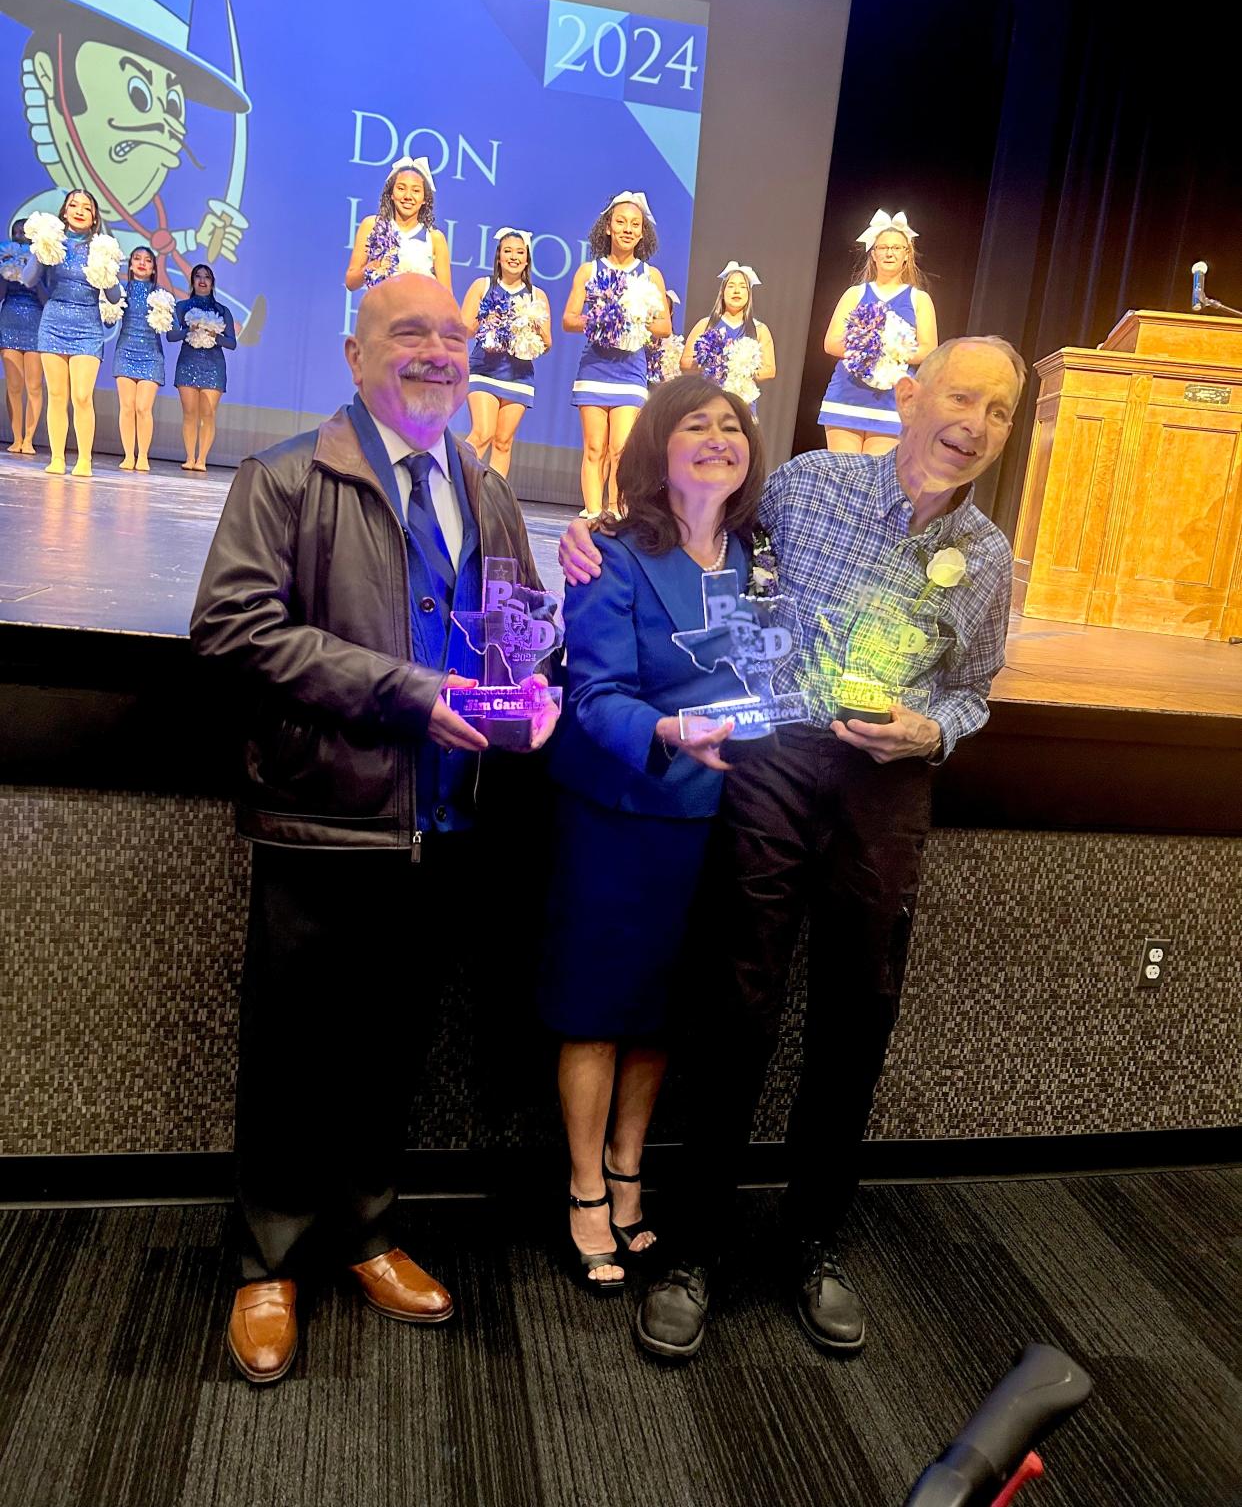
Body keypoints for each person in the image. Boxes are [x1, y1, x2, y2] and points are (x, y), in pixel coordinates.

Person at [560, 336, 1026, 1359]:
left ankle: (814, 1241)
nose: (975, 423)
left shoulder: (991, 557)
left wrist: (932, 731)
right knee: (736, 1004)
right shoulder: (809, 484)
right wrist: (596, 536)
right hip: (776, 761)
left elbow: (974, 687)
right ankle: (695, 1251)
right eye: (960, 397)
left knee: (858, 1014)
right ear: (909, 396)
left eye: (998, 410)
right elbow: (692, 518)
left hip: (887, 785)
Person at [190, 270, 558, 1387]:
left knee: (392, 1049)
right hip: (324, 821)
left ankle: (365, 1231)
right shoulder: (287, 476)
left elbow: (519, 629)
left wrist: (535, 681)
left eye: (454, 334)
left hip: (445, 830)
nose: (440, 350)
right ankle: (267, 1259)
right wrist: (404, 691)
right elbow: (230, 628)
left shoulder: (485, 490)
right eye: (411, 332)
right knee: (295, 1049)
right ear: (355, 355)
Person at [541, 374, 765, 1292]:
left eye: (732, 427)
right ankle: (586, 1186)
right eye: (695, 427)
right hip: (624, 814)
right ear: (656, 450)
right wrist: (670, 733)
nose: (718, 439)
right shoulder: (614, 552)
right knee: (600, 1005)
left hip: (725, 821)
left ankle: (632, 1166)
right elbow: (592, 697)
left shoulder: (763, 556)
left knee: (663, 1012)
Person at [563, 192, 671, 519]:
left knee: (620, 450)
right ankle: (594, 514)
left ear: (642, 233)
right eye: (621, 222)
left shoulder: (651, 276)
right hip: (594, 369)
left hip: (630, 372)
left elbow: (664, 326)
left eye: (634, 224)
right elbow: (568, 319)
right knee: (594, 448)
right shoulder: (588, 270)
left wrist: (632, 318)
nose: (627, 229)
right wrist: (600, 319)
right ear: (607, 227)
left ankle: (616, 512)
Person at [21, 188, 121, 477]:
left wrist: (107, 269)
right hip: (53, 322)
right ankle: (56, 458)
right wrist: (41, 248)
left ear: (94, 218)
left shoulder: (101, 247)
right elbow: (28, 280)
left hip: (87, 325)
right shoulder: (54, 242)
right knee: (56, 394)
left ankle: (85, 460)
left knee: (81, 396)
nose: (79, 210)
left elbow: (114, 297)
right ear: (64, 212)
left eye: (86, 207)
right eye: (73, 205)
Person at [819, 210, 937, 453]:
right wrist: (867, 347)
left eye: (896, 248)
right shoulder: (855, 294)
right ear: (873, 254)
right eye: (883, 248)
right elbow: (831, 343)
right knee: (843, 474)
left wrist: (890, 349)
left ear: (907, 255)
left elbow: (929, 350)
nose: (889, 252)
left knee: (874, 479)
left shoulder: (919, 299)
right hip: (847, 395)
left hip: (893, 400)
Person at [463, 227, 552, 479]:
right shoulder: (483, 286)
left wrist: (533, 328)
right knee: (482, 433)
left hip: (519, 377)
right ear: (499, 256)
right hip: (484, 371)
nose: (514, 256)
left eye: (520, 252)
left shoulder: (537, 295)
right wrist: (486, 318)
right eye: (508, 251)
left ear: (527, 259)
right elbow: (464, 329)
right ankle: (459, 484)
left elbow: (547, 343)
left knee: (503, 441)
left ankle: (493, 497)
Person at [345, 156, 452, 294]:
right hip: (381, 312)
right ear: (391, 194)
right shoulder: (372, 225)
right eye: (401, 188)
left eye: (416, 190)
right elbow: (350, 282)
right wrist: (374, 266)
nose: (408, 196)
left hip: (418, 314)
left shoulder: (435, 238)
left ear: (425, 198)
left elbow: (446, 296)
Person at [681, 263, 776, 416]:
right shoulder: (705, 324)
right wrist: (712, 364)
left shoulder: (760, 329)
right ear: (723, 292)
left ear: (749, 294)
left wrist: (741, 366)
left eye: (742, 286)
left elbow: (770, 370)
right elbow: (684, 363)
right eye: (731, 286)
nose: (736, 290)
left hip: (743, 404)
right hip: (707, 399)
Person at [170, 263, 236, 472]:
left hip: (213, 365)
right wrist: (188, 330)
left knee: (207, 414)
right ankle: (190, 458)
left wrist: (215, 337)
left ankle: (202, 460)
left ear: (212, 282)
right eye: (198, 276)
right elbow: (171, 336)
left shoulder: (223, 311)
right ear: (192, 281)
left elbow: (232, 343)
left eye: (207, 277)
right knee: (189, 413)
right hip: (188, 362)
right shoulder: (181, 307)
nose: (202, 280)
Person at [113, 246, 172, 472]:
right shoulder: (122, 290)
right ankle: (129, 455)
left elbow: (172, 330)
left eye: (147, 260)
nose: (142, 263)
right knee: (127, 407)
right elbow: (110, 321)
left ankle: (143, 456)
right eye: (137, 258)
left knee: (143, 408)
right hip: (125, 352)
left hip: (151, 356)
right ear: (129, 265)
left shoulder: (161, 296)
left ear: (154, 268)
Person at [0, 221, 45, 454]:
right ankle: (16, 437)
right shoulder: (5, 258)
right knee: (14, 386)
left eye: (24, 234)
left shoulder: (42, 261)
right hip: (9, 321)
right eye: (15, 233)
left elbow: (47, 298)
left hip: (36, 321)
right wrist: (5, 272)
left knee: (34, 385)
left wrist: (32, 275)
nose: (19, 237)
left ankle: (29, 438)